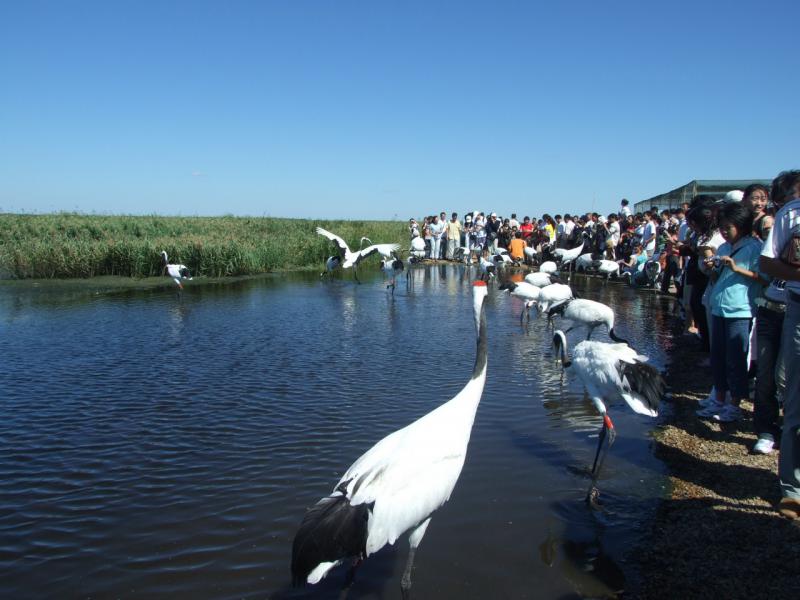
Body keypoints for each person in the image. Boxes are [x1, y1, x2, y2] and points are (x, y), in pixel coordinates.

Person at [695, 203, 764, 422]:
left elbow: (764, 278)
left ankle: (734, 405)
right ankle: (718, 399)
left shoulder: (754, 247)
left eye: (728, 227)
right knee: (718, 357)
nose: (724, 232)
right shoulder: (724, 247)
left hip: (740, 310)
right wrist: (710, 267)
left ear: (741, 225)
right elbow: (717, 276)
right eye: (722, 227)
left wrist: (736, 268)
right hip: (719, 307)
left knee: (736, 359)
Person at [760, 170, 800, 518]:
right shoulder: (792, 214)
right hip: (797, 308)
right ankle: (794, 489)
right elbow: (767, 261)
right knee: (795, 396)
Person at [752, 173, 793, 455]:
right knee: (766, 374)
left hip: (793, 310)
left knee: (786, 376)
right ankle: (767, 430)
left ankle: (790, 428)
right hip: (771, 309)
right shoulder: (779, 225)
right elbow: (766, 265)